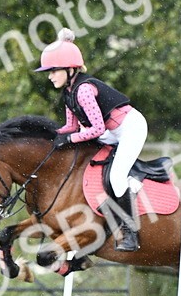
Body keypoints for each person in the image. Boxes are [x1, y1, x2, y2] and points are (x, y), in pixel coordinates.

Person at [35, 28, 148, 252]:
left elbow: (95, 129)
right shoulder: (68, 92)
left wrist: (69, 139)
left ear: (69, 69)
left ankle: (129, 232)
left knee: (116, 177)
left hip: (130, 129)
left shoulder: (84, 90)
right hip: (110, 131)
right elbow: (71, 127)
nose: (50, 76)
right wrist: (51, 138)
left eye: (53, 70)